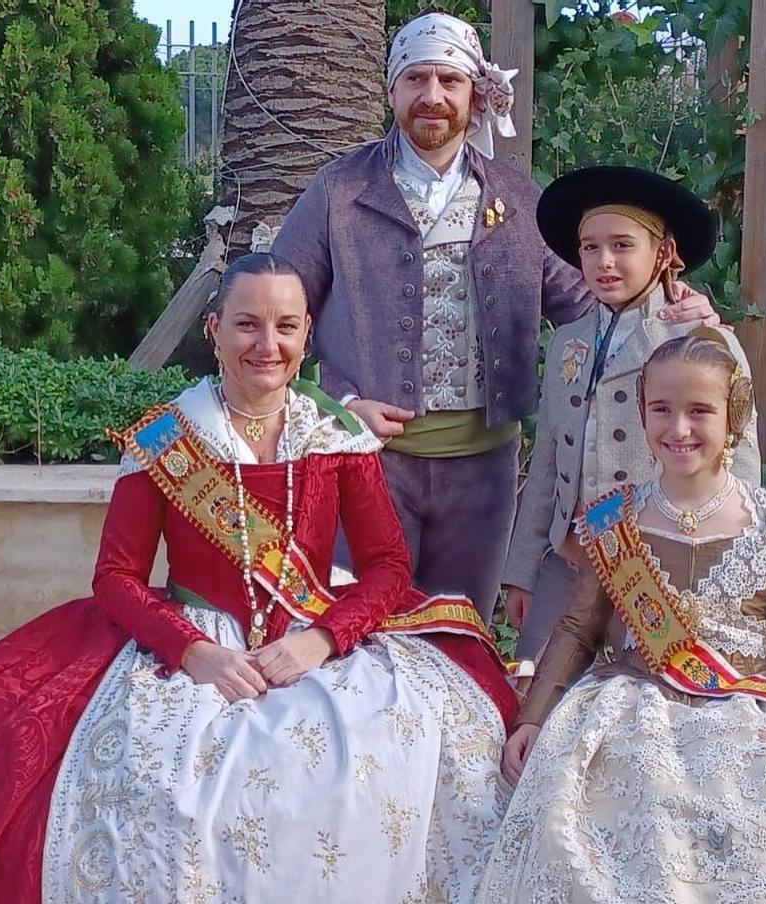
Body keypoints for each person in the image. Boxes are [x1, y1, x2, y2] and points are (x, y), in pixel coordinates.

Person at [0, 253, 518, 904]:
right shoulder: (165, 438)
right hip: (191, 646)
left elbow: (388, 567)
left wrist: (321, 640)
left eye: (285, 326)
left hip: (314, 635)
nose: (267, 345)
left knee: (387, 749)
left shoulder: (334, 436)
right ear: (214, 329)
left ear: (307, 334)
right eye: (247, 324)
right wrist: (194, 652)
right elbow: (116, 576)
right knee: (156, 779)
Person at [271, 13, 717, 623]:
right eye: (416, 79)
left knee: (461, 635)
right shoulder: (338, 191)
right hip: (367, 463)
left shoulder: (517, 198)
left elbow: (591, 302)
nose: (433, 96)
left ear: (475, 94)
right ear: (392, 90)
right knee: (360, 631)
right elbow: (274, 306)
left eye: (450, 81)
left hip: (484, 477)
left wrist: (674, 306)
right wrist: (338, 407)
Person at [477, 331, 766, 903]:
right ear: (642, 412)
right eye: (661, 409)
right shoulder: (611, 521)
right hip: (630, 708)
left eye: (699, 411)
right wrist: (532, 719)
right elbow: (577, 630)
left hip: (752, 715)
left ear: (733, 416)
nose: (678, 429)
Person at [502, 166, 762, 660]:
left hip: (659, 566)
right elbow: (549, 462)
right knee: (535, 686)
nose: (604, 261)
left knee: (648, 691)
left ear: (663, 253)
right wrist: (523, 571)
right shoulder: (567, 342)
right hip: (569, 561)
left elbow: (741, 465)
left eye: (622, 245)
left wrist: (732, 575)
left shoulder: (702, 342)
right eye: (590, 247)